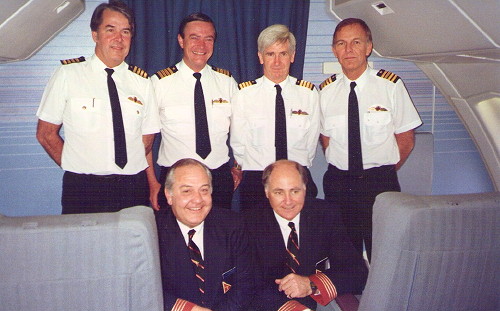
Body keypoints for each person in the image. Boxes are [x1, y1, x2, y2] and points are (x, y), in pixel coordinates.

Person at [36, 1, 159, 214]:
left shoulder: (142, 82)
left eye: (125, 31)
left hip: (133, 186)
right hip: (84, 188)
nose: (119, 39)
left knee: (132, 246)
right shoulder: (68, 74)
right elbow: (45, 134)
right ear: (95, 35)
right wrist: (77, 165)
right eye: (110, 30)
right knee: (84, 246)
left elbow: (147, 138)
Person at [319, 18, 422, 260]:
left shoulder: (390, 86)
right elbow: (326, 139)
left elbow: (406, 139)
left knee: (384, 252)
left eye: (356, 42)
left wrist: (381, 170)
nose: (349, 50)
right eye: (341, 44)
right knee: (344, 254)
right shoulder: (325, 91)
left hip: (379, 183)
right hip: (339, 183)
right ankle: (351, 297)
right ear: (334, 51)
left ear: (368, 47)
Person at [245, 160, 368, 311]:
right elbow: (248, 285)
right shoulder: (247, 223)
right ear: (267, 192)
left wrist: (311, 284)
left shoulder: (326, 214)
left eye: (295, 191)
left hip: (316, 302)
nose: (288, 201)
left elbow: (357, 272)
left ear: (305, 189)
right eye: (279, 192)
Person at [148, 13, 238, 211]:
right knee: (174, 239)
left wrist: (237, 167)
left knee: (219, 237)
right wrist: (153, 182)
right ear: (181, 40)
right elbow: (146, 139)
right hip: (175, 180)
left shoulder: (226, 82)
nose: (202, 45)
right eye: (194, 37)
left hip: (218, 179)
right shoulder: (160, 83)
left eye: (208, 39)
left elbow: (242, 130)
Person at [230, 24, 320, 211]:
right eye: (270, 54)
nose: (277, 62)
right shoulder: (244, 94)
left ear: (293, 56)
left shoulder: (309, 94)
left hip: (297, 177)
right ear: (261, 57)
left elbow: (311, 143)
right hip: (258, 180)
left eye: (283, 54)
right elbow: (239, 143)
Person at [156, 158, 254, 311]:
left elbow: (246, 285)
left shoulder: (233, 225)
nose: (197, 200)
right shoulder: (152, 232)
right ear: (169, 195)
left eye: (204, 190)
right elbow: (145, 293)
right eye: (187, 191)